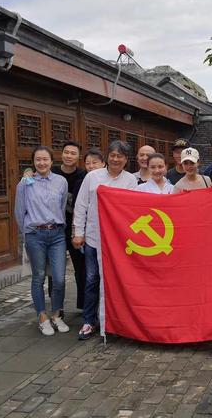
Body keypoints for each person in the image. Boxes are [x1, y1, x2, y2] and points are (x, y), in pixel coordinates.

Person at [73, 141, 138, 340]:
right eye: (113, 155)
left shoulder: (130, 181)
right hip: (94, 238)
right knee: (92, 280)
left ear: (127, 160)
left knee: (118, 282)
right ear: (107, 156)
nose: (116, 159)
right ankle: (89, 321)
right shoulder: (93, 177)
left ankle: (114, 321)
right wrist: (78, 232)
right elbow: (81, 205)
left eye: (121, 156)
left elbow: (134, 210)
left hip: (119, 242)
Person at [15, 145, 69, 336]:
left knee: (59, 278)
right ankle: (42, 317)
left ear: (51, 161)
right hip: (35, 235)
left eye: (45, 159)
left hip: (57, 235)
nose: (42, 162)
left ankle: (56, 314)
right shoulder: (25, 182)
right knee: (38, 277)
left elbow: (62, 208)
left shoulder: (61, 182)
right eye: (38, 159)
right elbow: (19, 212)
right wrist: (27, 235)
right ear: (33, 162)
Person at [50, 140, 86, 311]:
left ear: (78, 157)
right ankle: (57, 307)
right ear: (61, 154)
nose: (69, 156)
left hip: (76, 228)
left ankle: (83, 304)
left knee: (80, 268)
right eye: (66, 152)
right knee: (55, 271)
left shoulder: (83, 174)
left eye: (73, 153)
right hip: (56, 227)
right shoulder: (53, 172)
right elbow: (33, 174)